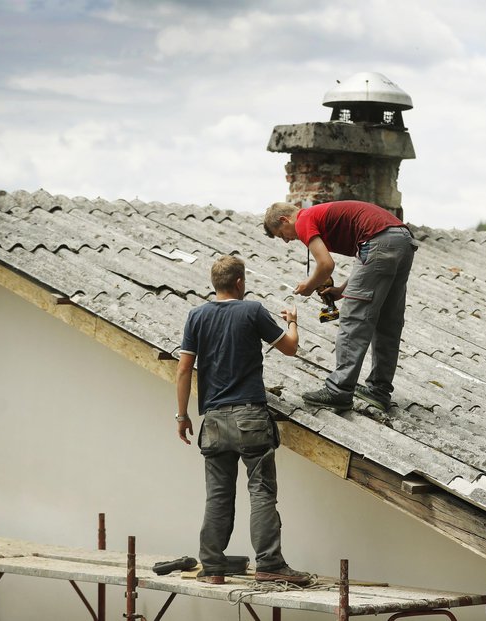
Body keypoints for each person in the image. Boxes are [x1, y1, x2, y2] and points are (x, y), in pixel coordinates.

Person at [176, 254, 311, 585]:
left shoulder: (196, 316)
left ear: (215, 283)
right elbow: (291, 348)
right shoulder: (252, 311)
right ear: (240, 282)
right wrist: (293, 320)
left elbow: (183, 368)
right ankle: (270, 565)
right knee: (261, 490)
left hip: (213, 420)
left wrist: (182, 415)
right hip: (250, 417)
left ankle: (212, 568)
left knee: (218, 496)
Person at [262, 200, 417, 412]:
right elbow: (367, 257)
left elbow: (326, 265)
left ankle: (339, 390)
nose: (288, 240)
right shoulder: (324, 217)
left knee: (354, 319)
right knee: (387, 321)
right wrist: (342, 290)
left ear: (284, 219)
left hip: (381, 241)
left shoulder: (304, 219)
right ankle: (379, 391)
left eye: (282, 235)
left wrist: (309, 285)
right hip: (402, 240)